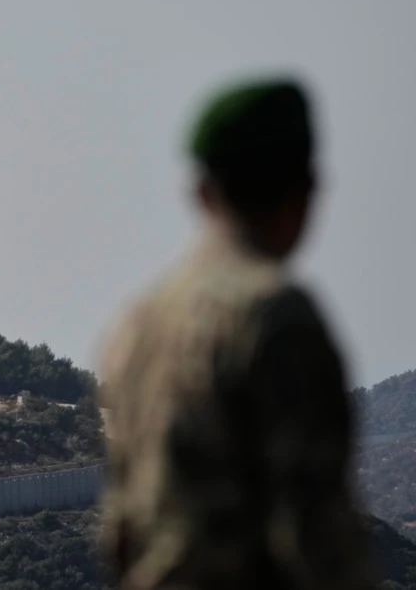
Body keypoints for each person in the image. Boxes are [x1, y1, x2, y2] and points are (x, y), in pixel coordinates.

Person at [97, 79, 373, 590]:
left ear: (201, 192)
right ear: (305, 191)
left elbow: (122, 527)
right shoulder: (276, 318)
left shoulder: (137, 326)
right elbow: (316, 534)